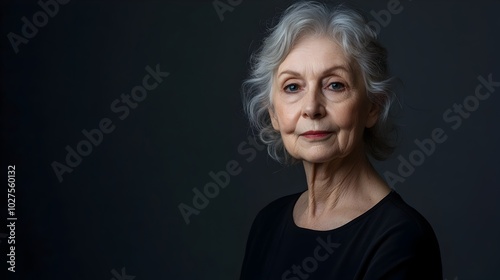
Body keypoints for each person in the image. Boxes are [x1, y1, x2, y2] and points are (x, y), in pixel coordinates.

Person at [239, 1, 442, 279]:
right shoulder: (267, 224)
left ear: (372, 106)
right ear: (273, 113)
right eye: (292, 87)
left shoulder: (401, 239)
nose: (311, 107)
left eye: (335, 85)